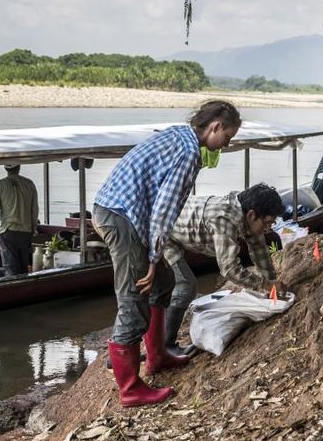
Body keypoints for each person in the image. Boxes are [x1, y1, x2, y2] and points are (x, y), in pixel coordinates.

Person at [92, 99, 242, 408]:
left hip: (119, 210)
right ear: (215, 127)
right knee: (134, 297)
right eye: (227, 138)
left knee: (162, 282)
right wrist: (151, 256)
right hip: (121, 216)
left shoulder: (179, 134)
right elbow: (164, 210)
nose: (226, 145)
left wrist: (156, 259)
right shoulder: (189, 154)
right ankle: (130, 389)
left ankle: (157, 355)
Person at [160, 183, 285, 357]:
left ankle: (159, 341)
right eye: (267, 223)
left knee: (177, 288)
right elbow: (229, 269)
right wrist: (265, 285)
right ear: (252, 215)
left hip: (181, 223)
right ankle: (166, 346)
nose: (268, 228)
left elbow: (259, 251)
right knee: (186, 286)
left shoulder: (246, 214)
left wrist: (272, 282)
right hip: (166, 232)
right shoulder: (224, 220)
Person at [0, 165, 39, 277]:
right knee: (23, 266)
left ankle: (14, 291)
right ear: (19, 167)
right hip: (26, 231)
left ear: (5, 168)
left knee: (11, 268)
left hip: (8, 232)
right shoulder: (29, 184)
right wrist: (33, 227)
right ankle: (25, 290)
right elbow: (35, 209)